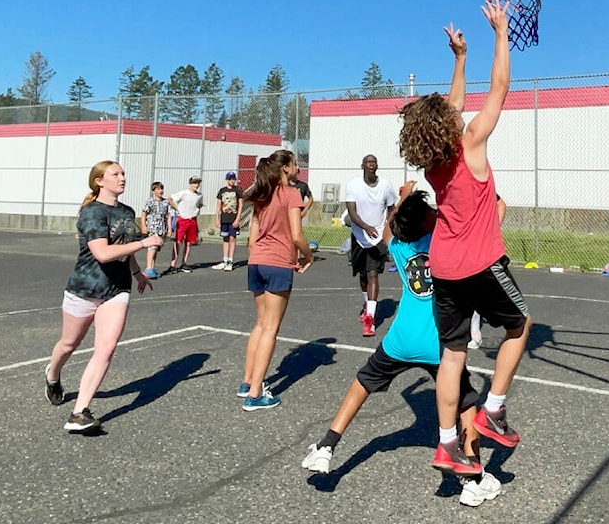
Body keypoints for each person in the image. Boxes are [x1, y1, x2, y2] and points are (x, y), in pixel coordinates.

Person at [301, 183, 501, 507]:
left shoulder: (400, 247)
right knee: (466, 406)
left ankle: (326, 446)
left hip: (401, 340)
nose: (437, 212)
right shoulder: (443, 244)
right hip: (439, 345)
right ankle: (473, 479)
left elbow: (385, 230)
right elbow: (471, 222)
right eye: (432, 212)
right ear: (427, 222)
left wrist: (403, 200)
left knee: (362, 383)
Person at [398, 0, 533, 475]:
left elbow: (451, 106)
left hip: (444, 267)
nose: (457, 112)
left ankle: (447, 443)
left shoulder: (434, 160)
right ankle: (494, 408)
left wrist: (459, 58)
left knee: (453, 354)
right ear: (449, 126)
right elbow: (500, 87)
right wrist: (501, 33)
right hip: (480, 262)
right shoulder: (470, 141)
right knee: (520, 326)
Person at [44, 160, 164, 433]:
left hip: (117, 289)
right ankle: (52, 374)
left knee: (106, 348)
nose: (122, 177)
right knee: (68, 344)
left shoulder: (127, 211)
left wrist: (137, 273)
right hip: (85, 288)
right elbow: (103, 253)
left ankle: (79, 412)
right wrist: (145, 242)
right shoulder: (91, 213)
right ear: (100, 181)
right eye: (115, 174)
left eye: (123, 173)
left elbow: (124, 249)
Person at [239, 150, 313, 411]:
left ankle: (247, 382)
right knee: (271, 328)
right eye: (294, 164)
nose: (297, 168)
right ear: (285, 168)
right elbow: (296, 234)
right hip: (278, 263)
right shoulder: (292, 193)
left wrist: (257, 255)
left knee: (260, 324)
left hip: (256, 262)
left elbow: (252, 234)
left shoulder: (262, 193)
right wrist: (308, 255)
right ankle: (256, 394)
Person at [344, 155, 399, 337]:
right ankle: (367, 304)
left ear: (377, 166)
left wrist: (388, 228)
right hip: (360, 236)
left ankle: (370, 319)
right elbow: (351, 212)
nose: (371, 165)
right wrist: (366, 227)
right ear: (363, 166)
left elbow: (392, 208)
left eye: (374, 162)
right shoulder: (353, 185)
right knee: (363, 276)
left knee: (373, 274)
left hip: (377, 239)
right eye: (368, 162)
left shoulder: (385, 185)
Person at [468, 194, 507, 349]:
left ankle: (475, 332)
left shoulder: (480, 188)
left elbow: (501, 204)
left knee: (475, 290)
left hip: (479, 248)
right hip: (462, 246)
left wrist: (493, 231)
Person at [167, 175, 204, 273]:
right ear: (190, 184)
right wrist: (177, 208)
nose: (196, 185)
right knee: (178, 242)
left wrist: (197, 209)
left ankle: (184, 263)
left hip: (193, 220)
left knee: (189, 243)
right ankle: (172, 265)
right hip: (183, 220)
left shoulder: (199, 195)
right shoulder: (184, 193)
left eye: (198, 183)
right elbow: (170, 198)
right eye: (195, 183)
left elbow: (199, 204)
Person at [139, 181, 174, 279]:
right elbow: (143, 214)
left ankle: (152, 267)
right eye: (158, 189)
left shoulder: (165, 202)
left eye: (161, 188)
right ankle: (148, 268)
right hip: (152, 227)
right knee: (152, 247)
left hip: (161, 229)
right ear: (153, 191)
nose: (161, 191)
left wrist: (169, 228)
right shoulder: (149, 201)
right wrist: (143, 226)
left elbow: (168, 216)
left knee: (156, 248)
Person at [212, 172, 244, 271]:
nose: (232, 181)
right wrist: (217, 218)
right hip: (224, 218)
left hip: (233, 217)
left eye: (233, 179)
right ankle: (225, 260)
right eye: (230, 179)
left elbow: (241, 205)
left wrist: (238, 218)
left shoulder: (238, 190)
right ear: (227, 180)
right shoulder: (222, 191)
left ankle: (230, 261)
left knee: (232, 238)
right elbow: (218, 205)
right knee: (225, 238)